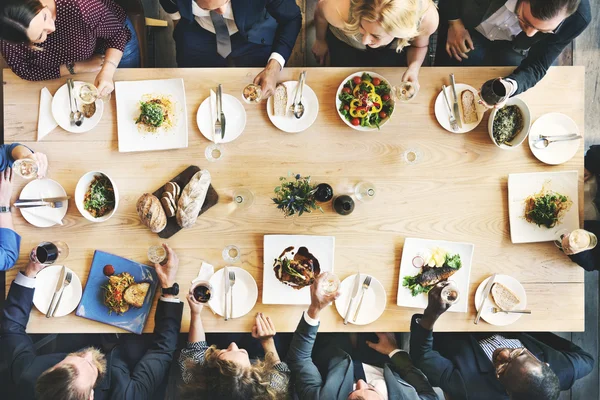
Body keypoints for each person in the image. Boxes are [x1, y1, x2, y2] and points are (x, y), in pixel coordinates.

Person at [1, 243, 184, 400]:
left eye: (70, 359)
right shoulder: (128, 395)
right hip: (123, 347)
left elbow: (11, 327)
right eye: (89, 364)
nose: (88, 354)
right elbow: (163, 349)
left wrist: (31, 272)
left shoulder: (28, 375)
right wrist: (169, 289)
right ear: (90, 397)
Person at [410, 283, 594, 399]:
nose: (503, 353)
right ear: (543, 363)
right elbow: (588, 359)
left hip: (448, 317)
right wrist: (530, 329)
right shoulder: (566, 369)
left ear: (508, 393)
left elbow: (422, 355)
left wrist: (430, 316)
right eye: (517, 353)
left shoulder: (469, 388)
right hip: (493, 304)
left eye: (502, 368)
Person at [287, 273, 438, 400]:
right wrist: (393, 351)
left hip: (334, 350)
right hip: (382, 355)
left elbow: (300, 359)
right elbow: (429, 395)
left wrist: (314, 309)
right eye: (371, 389)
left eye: (353, 392)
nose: (360, 382)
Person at [435, 0, 591, 96]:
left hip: (514, 46)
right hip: (467, 25)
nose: (530, 34)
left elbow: (538, 64)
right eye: (526, 21)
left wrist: (511, 86)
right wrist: (453, 22)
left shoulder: (578, 19)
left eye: (544, 31)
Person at [159, 0, 302, 98]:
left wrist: (274, 67)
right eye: (208, 8)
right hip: (199, 30)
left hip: (253, 31)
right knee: (193, 86)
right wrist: (180, 27)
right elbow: (170, 4)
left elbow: (292, 18)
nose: (221, 11)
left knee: (261, 85)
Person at [0, 0, 140, 96]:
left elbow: (117, 33)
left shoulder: (81, 7)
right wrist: (76, 67)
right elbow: (26, 70)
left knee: (129, 86)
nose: (52, 27)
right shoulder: (9, 37)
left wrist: (108, 71)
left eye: (44, 16)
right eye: (39, 36)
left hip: (112, 38)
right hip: (80, 56)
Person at [178, 298, 291, 400]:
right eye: (242, 352)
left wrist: (196, 313)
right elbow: (280, 372)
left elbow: (196, 349)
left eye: (225, 351)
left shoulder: (195, 379)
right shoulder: (272, 388)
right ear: (255, 374)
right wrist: (267, 341)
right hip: (259, 357)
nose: (233, 344)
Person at [312, 0, 438, 90]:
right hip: (346, 40)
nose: (365, 40)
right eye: (362, 26)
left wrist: (414, 68)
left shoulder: (427, 19)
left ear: (401, 32)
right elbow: (320, 14)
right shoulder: (337, 7)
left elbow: (419, 46)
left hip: (395, 49)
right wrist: (320, 41)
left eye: (376, 36)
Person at [563, 145, 600, 271]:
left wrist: (577, 250)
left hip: (572, 227)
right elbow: (596, 152)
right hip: (585, 178)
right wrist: (590, 164)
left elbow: (592, 263)